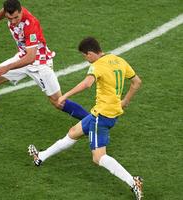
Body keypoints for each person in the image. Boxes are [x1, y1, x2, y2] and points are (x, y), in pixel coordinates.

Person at [28, 37, 143, 199]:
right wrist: (125, 100)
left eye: (84, 56)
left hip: (101, 116)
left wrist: (65, 96)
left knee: (98, 157)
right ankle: (40, 157)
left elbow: (87, 84)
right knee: (74, 132)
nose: (85, 59)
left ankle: (133, 182)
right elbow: (137, 82)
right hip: (111, 112)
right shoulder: (118, 60)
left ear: (90, 54)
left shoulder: (97, 66)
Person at [0, 0, 88, 133]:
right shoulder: (10, 11)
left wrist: (8, 67)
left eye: (16, 17)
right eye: (10, 18)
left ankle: (92, 121)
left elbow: (31, 57)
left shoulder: (30, 24)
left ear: (21, 11)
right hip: (22, 57)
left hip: (39, 63)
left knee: (58, 102)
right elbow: (3, 12)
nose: (13, 21)